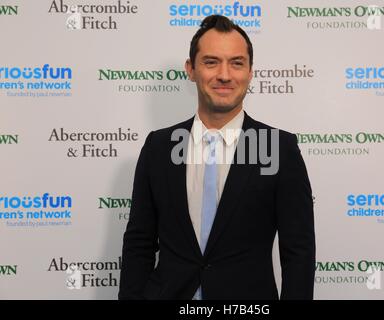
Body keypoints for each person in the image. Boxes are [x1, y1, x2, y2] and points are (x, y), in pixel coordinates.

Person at [119, 15, 315, 300]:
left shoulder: (278, 147)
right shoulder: (159, 147)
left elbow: (299, 252)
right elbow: (139, 243)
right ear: (191, 69)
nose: (225, 75)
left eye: (237, 63)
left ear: (250, 72)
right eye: (211, 62)